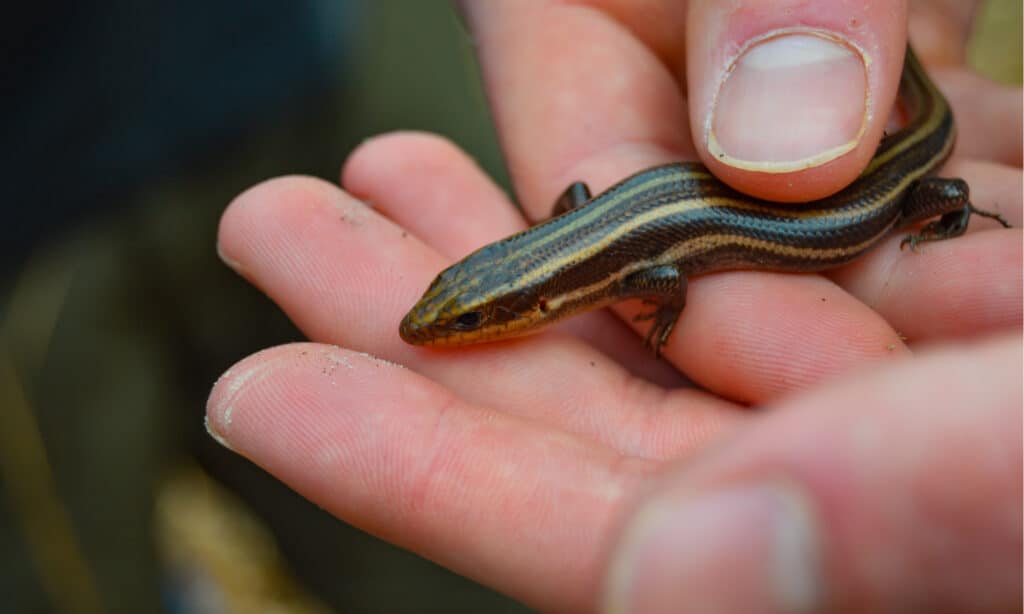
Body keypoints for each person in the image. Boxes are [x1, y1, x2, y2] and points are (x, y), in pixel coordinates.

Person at [207, 1, 1022, 611]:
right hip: (690, 211)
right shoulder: (598, 264)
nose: (439, 329)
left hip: (857, 200)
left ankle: (943, 202)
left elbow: (657, 273)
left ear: (529, 298)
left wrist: (668, 314)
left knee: (924, 193)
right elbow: (608, 227)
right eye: (458, 310)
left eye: (465, 316)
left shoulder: (617, 275)